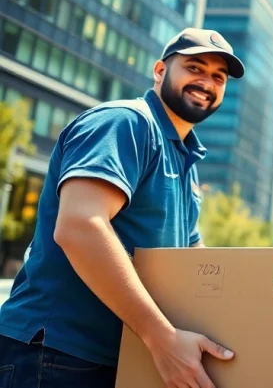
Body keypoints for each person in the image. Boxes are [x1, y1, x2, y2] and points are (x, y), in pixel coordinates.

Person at [0, 28, 245, 388]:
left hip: (124, 359)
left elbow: (193, 258)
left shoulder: (185, 160)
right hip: (57, 354)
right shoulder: (126, 123)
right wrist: (161, 338)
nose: (206, 82)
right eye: (195, 67)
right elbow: (81, 226)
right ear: (160, 70)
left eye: (218, 77)